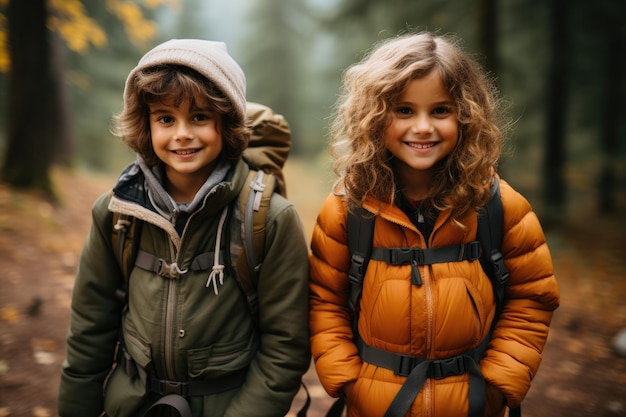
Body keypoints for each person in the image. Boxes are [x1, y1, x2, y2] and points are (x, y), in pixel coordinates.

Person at [309, 32, 560, 417]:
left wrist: (499, 382)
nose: (423, 127)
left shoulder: (498, 205)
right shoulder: (349, 209)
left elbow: (533, 298)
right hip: (376, 403)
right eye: (404, 111)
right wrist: (346, 378)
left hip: (471, 403)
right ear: (374, 117)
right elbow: (324, 298)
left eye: (440, 110)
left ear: (466, 115)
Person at [58, 39, 310, 417]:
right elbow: (89, 328)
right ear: (145, 123)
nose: (182, 134)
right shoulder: (118, 214)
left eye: (199, 117)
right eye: (165, 118)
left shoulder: (269, 219)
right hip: (133, 404)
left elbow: (285, 347)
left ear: (228, 123)